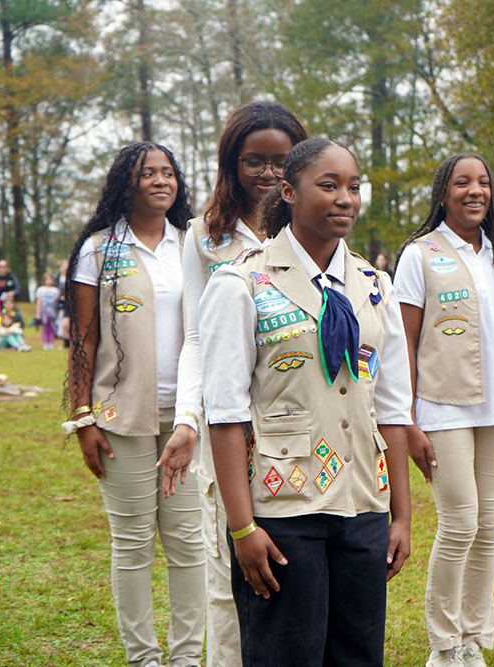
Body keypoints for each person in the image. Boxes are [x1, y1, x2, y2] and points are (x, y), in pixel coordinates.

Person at [198, 137, 412, 667]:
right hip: (281, 508)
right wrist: (242, 527)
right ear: (289, 192)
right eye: (329, 185)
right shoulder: (241, 283)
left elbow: (393, 408)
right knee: (285, 654)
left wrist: (401, 515)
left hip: (363, 502)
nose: (345, 198)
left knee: (358, 654)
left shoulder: (375, 285)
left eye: (354, 187)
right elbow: (224, 413)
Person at [175, 100, 306, 667]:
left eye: (281, 161)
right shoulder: (204, 237)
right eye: (255, 160)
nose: (269, 174)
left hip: (295, 425)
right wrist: (186, 419)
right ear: (232, 162)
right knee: (224, 570)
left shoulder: (309, 227)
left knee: (290, 567)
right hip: (227, 427)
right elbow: (196, 338)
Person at [65, 142, 204, 667]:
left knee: (190, 544)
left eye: (168, 173)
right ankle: (143, 658)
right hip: (119, 417)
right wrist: (82, 417)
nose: (161, 181)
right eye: (149, 174)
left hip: (185, 419)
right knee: (132, 544)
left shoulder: (193, 243)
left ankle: (187, 658)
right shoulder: (99, 249)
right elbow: (83, 339)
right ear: (127, 182)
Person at [395, 154, 494, 667]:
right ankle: (443, 645)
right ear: (442, 193)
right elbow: (402, 340)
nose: (475, 191)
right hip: (441, 409)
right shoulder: (419, 254)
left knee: (489, 525)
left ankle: (474, 640)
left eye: (484, 182)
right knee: (460, 522)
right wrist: (406, 419)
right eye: (462, 182)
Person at [35, 272, 61, 350]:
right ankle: (45, 343)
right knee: (45, 328)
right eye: (47, 279)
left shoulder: (56, 290)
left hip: (53, 313)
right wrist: (38, 313)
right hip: (44, 312)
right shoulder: (40, 289)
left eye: (50, 278)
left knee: (52, 328)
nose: (48, 280)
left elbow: (57, 303)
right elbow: (39, 301)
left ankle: (51, 343)